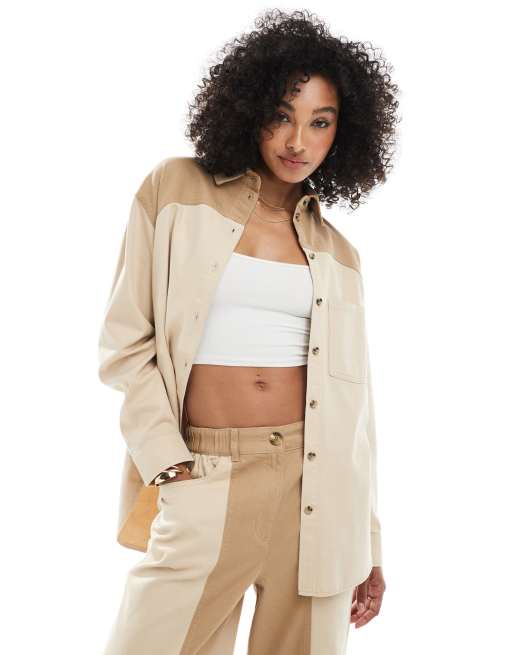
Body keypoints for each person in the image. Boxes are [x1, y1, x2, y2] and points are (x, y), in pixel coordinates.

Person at [97, 9, 400, 655]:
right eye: (281, 115)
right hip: (207, 473)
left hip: (319, 493)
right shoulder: (175, 190)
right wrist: (170, 465)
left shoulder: (340, 254)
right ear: (249, 109)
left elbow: (357, 410)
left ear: (344, 133)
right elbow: (126, 344)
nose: (297, 140)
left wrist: (368, 542)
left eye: (320, 122)